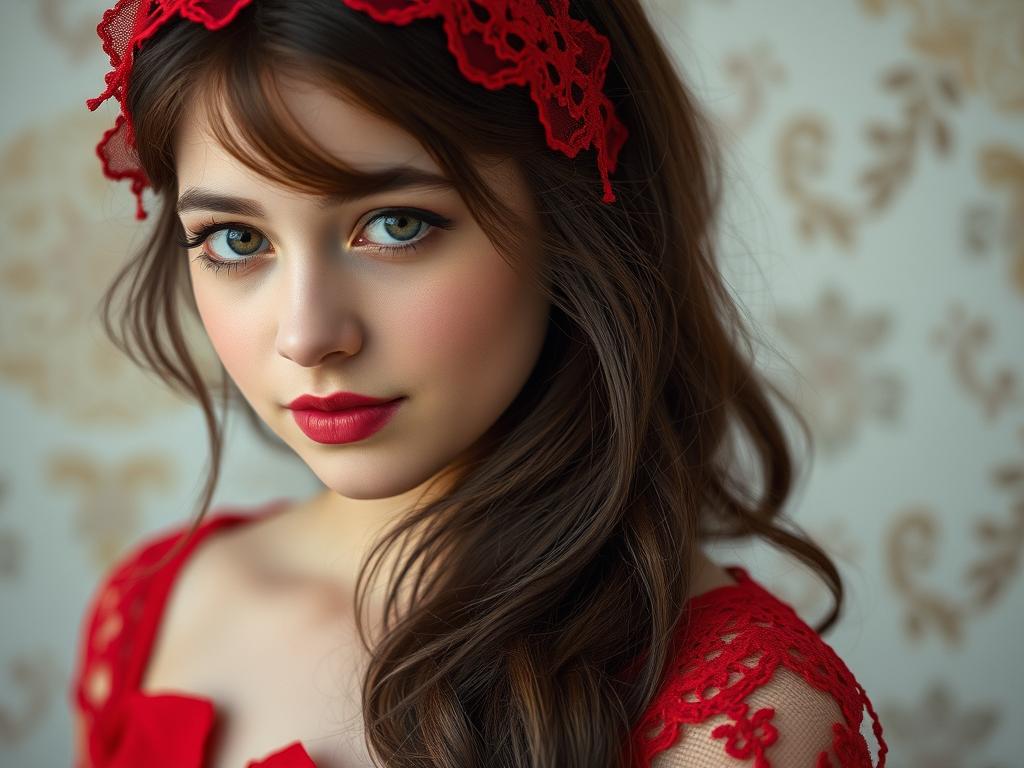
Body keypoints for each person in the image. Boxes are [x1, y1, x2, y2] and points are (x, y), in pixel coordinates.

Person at [70, 1, 888, 767]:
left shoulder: (740, 719)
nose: (307, 335)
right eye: (235, 238)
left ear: (571, 227)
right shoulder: (149, 606)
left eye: (397, 224)